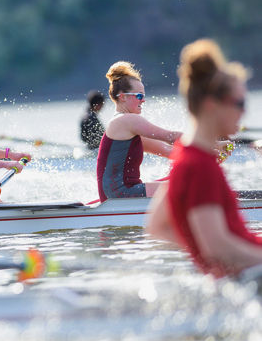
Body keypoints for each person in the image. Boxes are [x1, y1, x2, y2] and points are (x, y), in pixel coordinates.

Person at [146, 39, 262, 279]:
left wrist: (202, 254)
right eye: (239, 103)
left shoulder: (184, 156)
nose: (244, 112)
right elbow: (216, 248)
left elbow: (157, 226)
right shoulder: (200, 166)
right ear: (211, 105)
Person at [96, 61, 183, 202]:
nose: (143, 101)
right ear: (122, 96)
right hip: (120, 194)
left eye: (143, 96)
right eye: (139, 96)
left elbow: (168, 150)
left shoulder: (127, 129)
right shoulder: (127, 120)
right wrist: (213, 143)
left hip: (121, 193)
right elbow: (170, 136)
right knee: (187, 187)